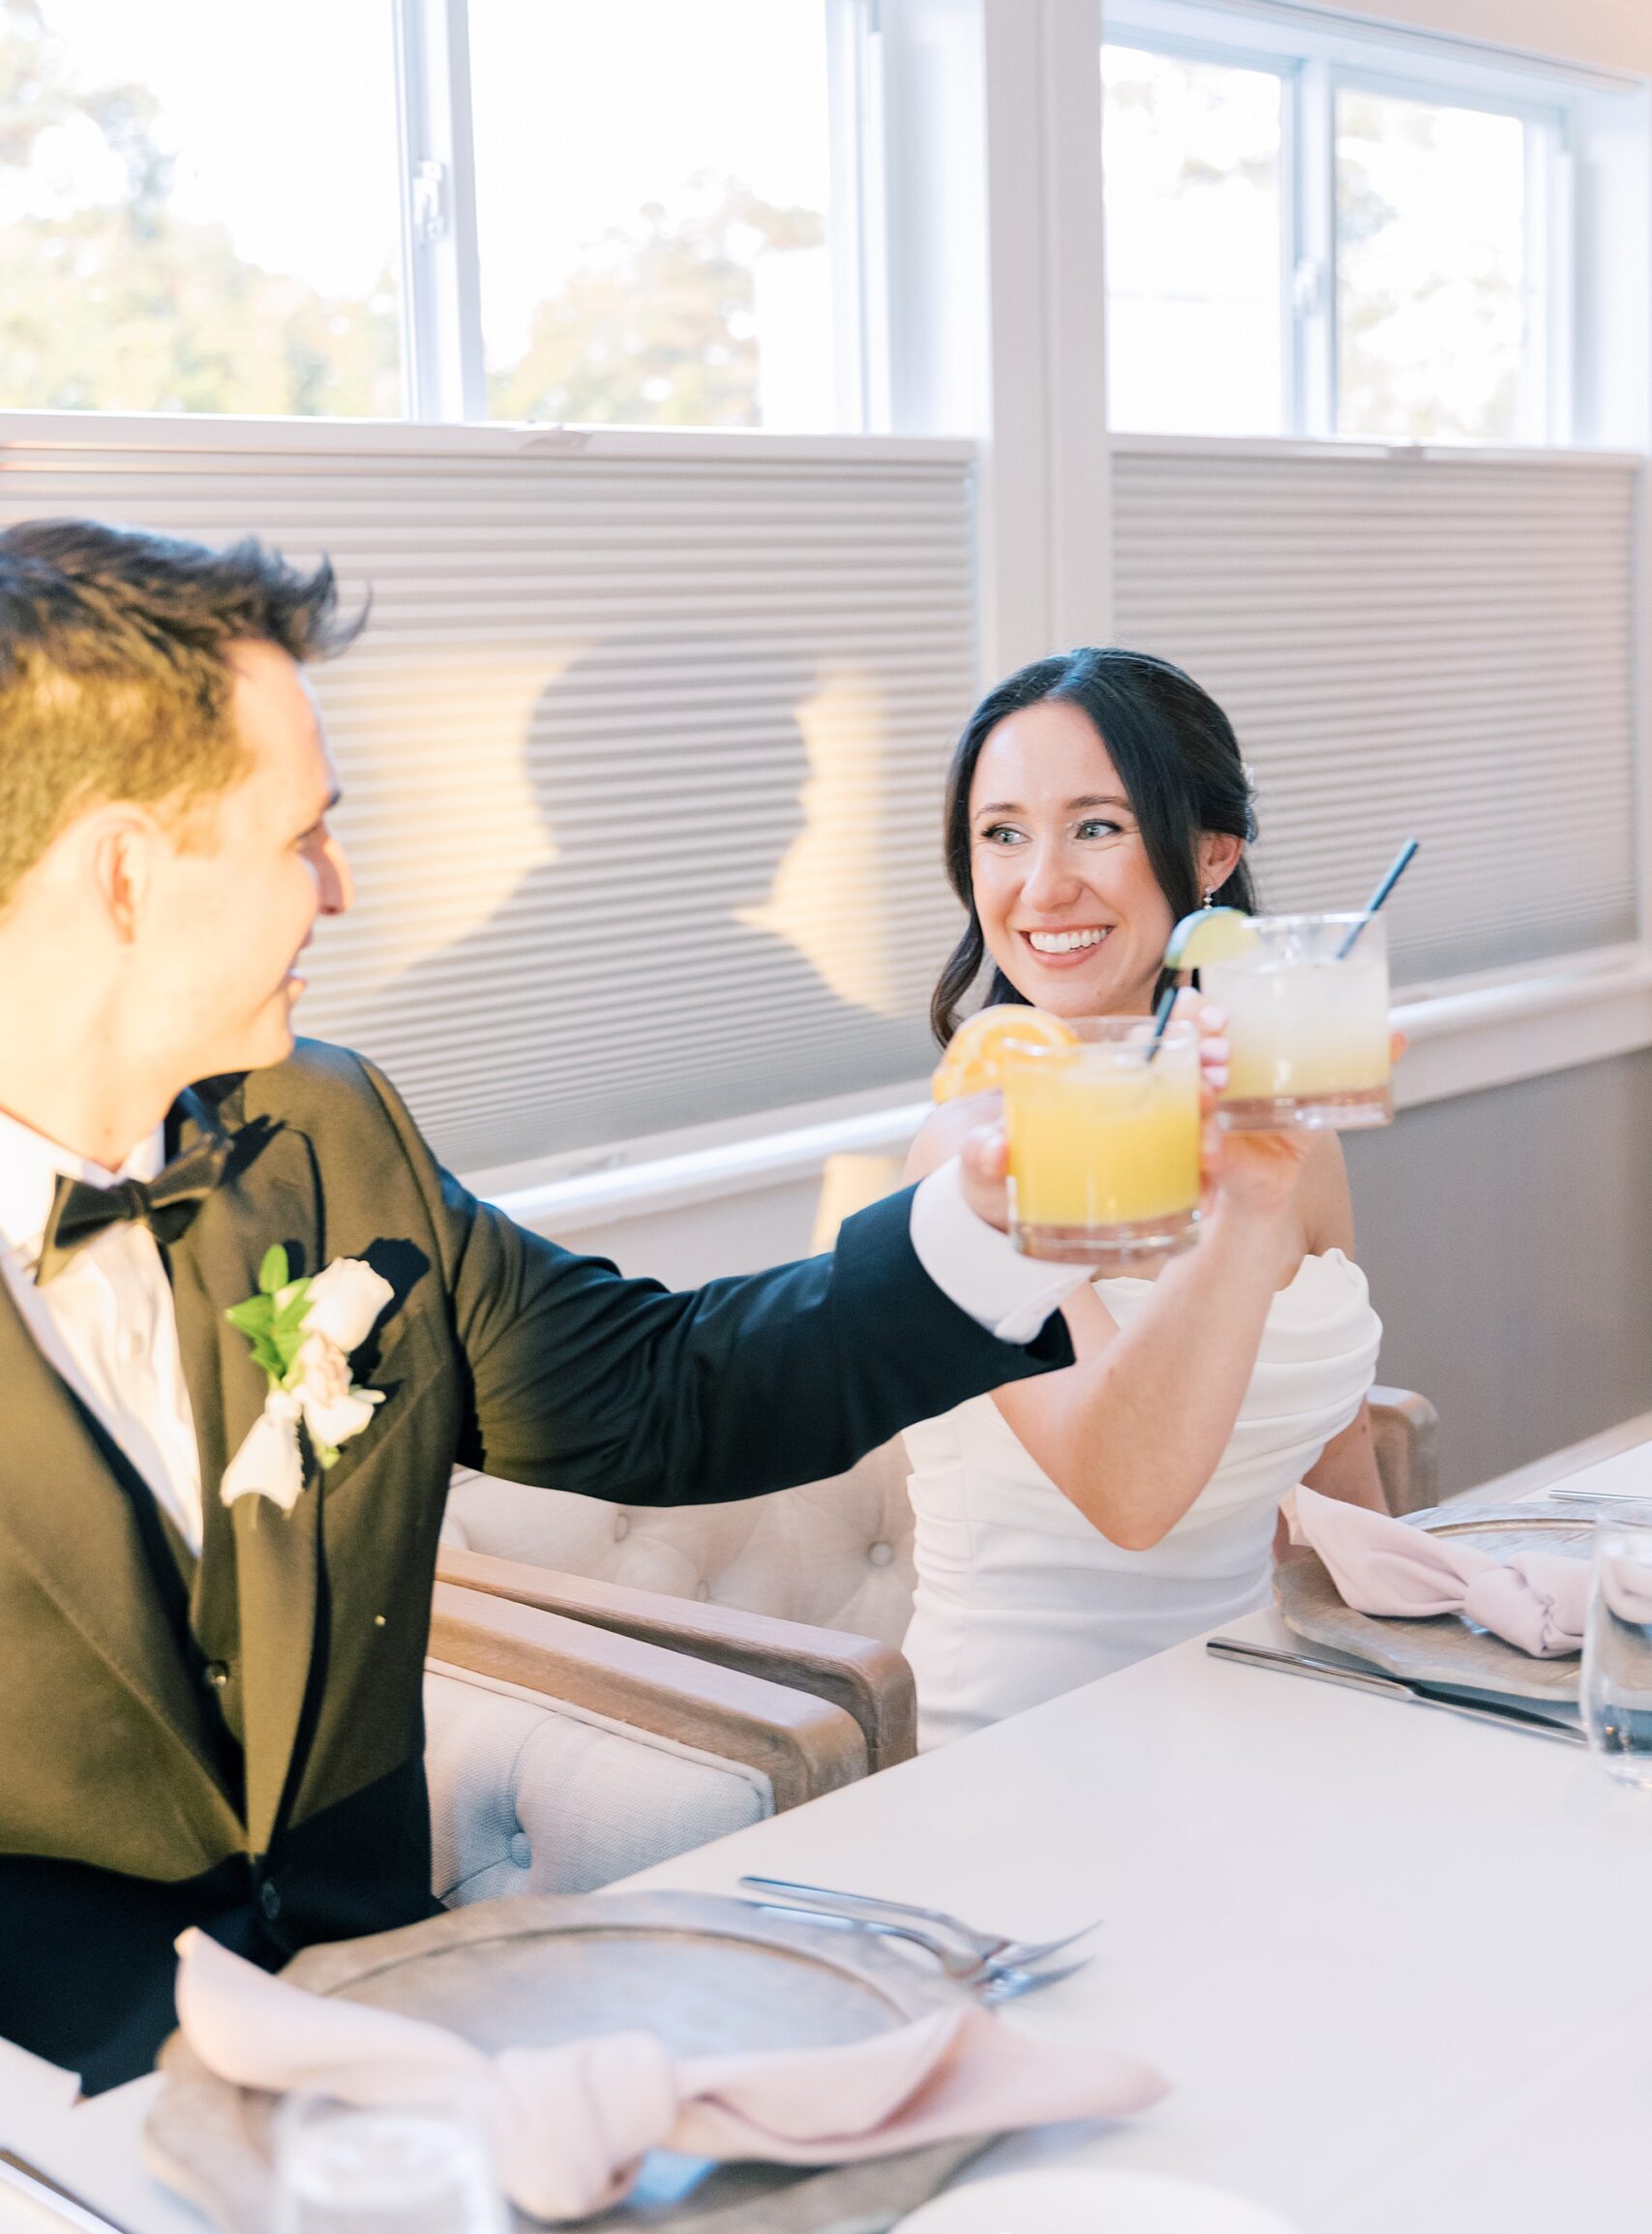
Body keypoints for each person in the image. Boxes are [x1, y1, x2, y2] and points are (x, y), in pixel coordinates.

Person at [0, 519, 1100, 2094]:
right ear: (123, 873)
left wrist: (984, 1227)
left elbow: (666, 1391)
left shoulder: (326, 1132)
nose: (342, 883)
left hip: (408, 2041)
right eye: (302, 835)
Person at [901, 649, 1386, 1748]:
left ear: (1210, 852)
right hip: (1019, 1759)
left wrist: (1414, 1678)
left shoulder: (1287, 1137)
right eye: (1004, 833)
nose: (1043, 886)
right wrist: (1246, 1213)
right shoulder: (971, 1149)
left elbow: (1339, 1465)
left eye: (1098, 826)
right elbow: (1126, 1495)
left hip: (1261, 1719)